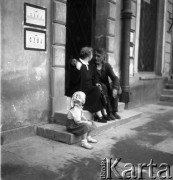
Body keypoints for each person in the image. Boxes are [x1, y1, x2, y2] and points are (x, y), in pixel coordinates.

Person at [66, 47, 108, 123]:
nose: (93, 56)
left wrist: (97, 83)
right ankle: (99, 115)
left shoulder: (91, 65)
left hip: (89, 89)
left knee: (98, 89)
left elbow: (95, 77)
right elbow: (74, 80)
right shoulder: (78, 63)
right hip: (81, 90)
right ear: (89, 55)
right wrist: (77, 69)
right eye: (92, 54)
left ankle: (101, 114)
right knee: (96, 91)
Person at [93, 48, 121, 120]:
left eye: (98, 56)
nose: (96, 58)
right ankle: (109, 112)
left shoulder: (107, 66)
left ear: (103, 57)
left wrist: (115, 88)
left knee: (115, 87)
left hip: (105, 89)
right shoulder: (92, 65)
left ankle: (114, 112)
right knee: (104, 87)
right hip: (95, 89)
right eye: (95, 56)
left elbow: (115, 78)